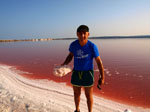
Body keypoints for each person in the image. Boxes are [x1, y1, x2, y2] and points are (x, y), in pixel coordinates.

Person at [62, 25, 104, 112]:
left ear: (88, 34)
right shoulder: (73, 45)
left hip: (87, 73)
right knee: (76, 94)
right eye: (80, 34)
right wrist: (64, 64)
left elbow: (99, 62)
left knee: (88, 95)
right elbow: (70, 56)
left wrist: (102, 76)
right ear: (77, 34)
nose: (82, 36)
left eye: (84, 33)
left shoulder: (92, 46)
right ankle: (77, 110)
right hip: (76, 72)